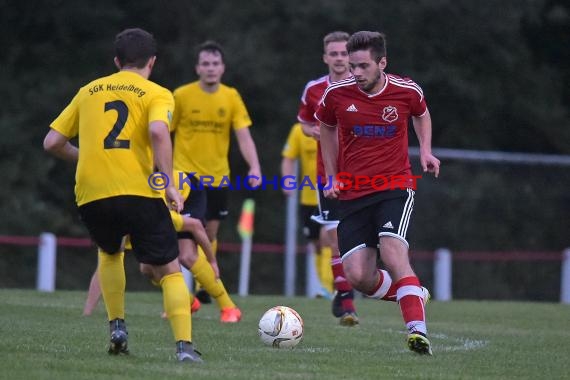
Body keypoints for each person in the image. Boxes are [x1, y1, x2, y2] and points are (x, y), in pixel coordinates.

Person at [43, 28, 202, 363]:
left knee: (111, 252)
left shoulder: (88, 91)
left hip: (91, 192)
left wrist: (85, 156)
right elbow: (158, 130)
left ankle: (117, 326)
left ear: (116, 61)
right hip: (138, 190)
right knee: (169, 270)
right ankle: (184, 348)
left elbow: (52, 142)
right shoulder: (157, 93)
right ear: (152, 62)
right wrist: (170, 183)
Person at [317, 31, 440, 355]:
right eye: (352, 66)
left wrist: (425, 151)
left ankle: (417, 331)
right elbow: (326, 129)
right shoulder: (337, 94)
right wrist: (332, 178)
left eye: (363, 66)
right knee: (358, 276)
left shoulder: (406, 90)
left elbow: (421, 113)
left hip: (395, 187)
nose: (355, 73)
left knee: (394, 253)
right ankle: (413, 292)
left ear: (382, 63)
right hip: (353, 194)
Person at [84, 171, 242, 323]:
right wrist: (87, 313)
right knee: (146, 268)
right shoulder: (118, 223)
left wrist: (212, 261)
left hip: (188, 193)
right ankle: (187, 301)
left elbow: (196, 227)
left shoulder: (154, 214)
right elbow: (104, 267)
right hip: (158, 197)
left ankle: (228, 308)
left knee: (186, 255)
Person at [171, 40, 261, 303]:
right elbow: (165, 132)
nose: (210, 68)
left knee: (209, 234)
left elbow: (243, 136)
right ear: (197, 68)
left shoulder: (230, 96)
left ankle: (203, 283)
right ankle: (195, 289)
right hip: (185, 178)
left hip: (218, 177)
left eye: (215, 64)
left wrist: (254, 166)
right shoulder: (181, 96)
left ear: (223, 68)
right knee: (187, 232)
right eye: (205, 64)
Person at [297, 31, 358, 326]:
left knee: (360, 239)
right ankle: (347, 301)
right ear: (325, 58)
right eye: (333, 54)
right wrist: (317, 132)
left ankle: (349, 284)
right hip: (328, 173)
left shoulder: (362, 87)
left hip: (361, 172)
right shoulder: (314, 89)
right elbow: (305, 123)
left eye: (344, 53)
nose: (339, 58)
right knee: (334, 236)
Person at [281, 122, 333, 297]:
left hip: (331, 194)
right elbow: (289, 157)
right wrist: (287, 181)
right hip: (308, 198)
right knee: (316, 244)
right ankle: (325, 287)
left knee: (328, 238)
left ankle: (329, 287)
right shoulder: (298, 130)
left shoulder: (334, 126)